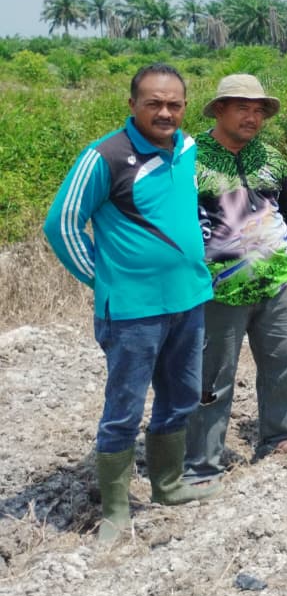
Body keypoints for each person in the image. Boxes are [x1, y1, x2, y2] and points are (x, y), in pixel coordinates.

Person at [43, 63, 219, 544]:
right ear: (132, 105)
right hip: (131, 311)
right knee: (124, 408)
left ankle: (168, 485)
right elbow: (61, 224)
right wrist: (103, 278)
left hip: (188, 300)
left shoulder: (188, 147)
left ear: (185, 106)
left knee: (182, 396)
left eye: (174, 104)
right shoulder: (105, 156)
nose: (165, 113)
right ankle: (116, 512)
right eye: (154, 103)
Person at [183, 75, 287, 485]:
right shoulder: (190, 160)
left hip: (275, 281)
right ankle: (202, 463)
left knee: (283, 363)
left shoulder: (271, 159)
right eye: (242, 108)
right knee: (211, 378)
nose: (252, 117)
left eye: (259, 110)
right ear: (219, 110)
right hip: (216, 290)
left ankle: (278, 438)